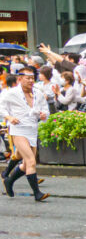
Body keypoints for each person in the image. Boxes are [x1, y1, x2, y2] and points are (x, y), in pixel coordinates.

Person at [1, 67, 50, 201]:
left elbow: (45, 110)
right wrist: (9, 117)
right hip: (18, 129)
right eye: (27, 78)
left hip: (32, 129)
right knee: (31, 161)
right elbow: (1, 107)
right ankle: (37, 194)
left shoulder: (38, 93)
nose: (30, 81)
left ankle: (9, 181)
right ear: (20, 79)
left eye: (32, 78)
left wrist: (44, 115)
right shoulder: (11, 93)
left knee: (25, 164)